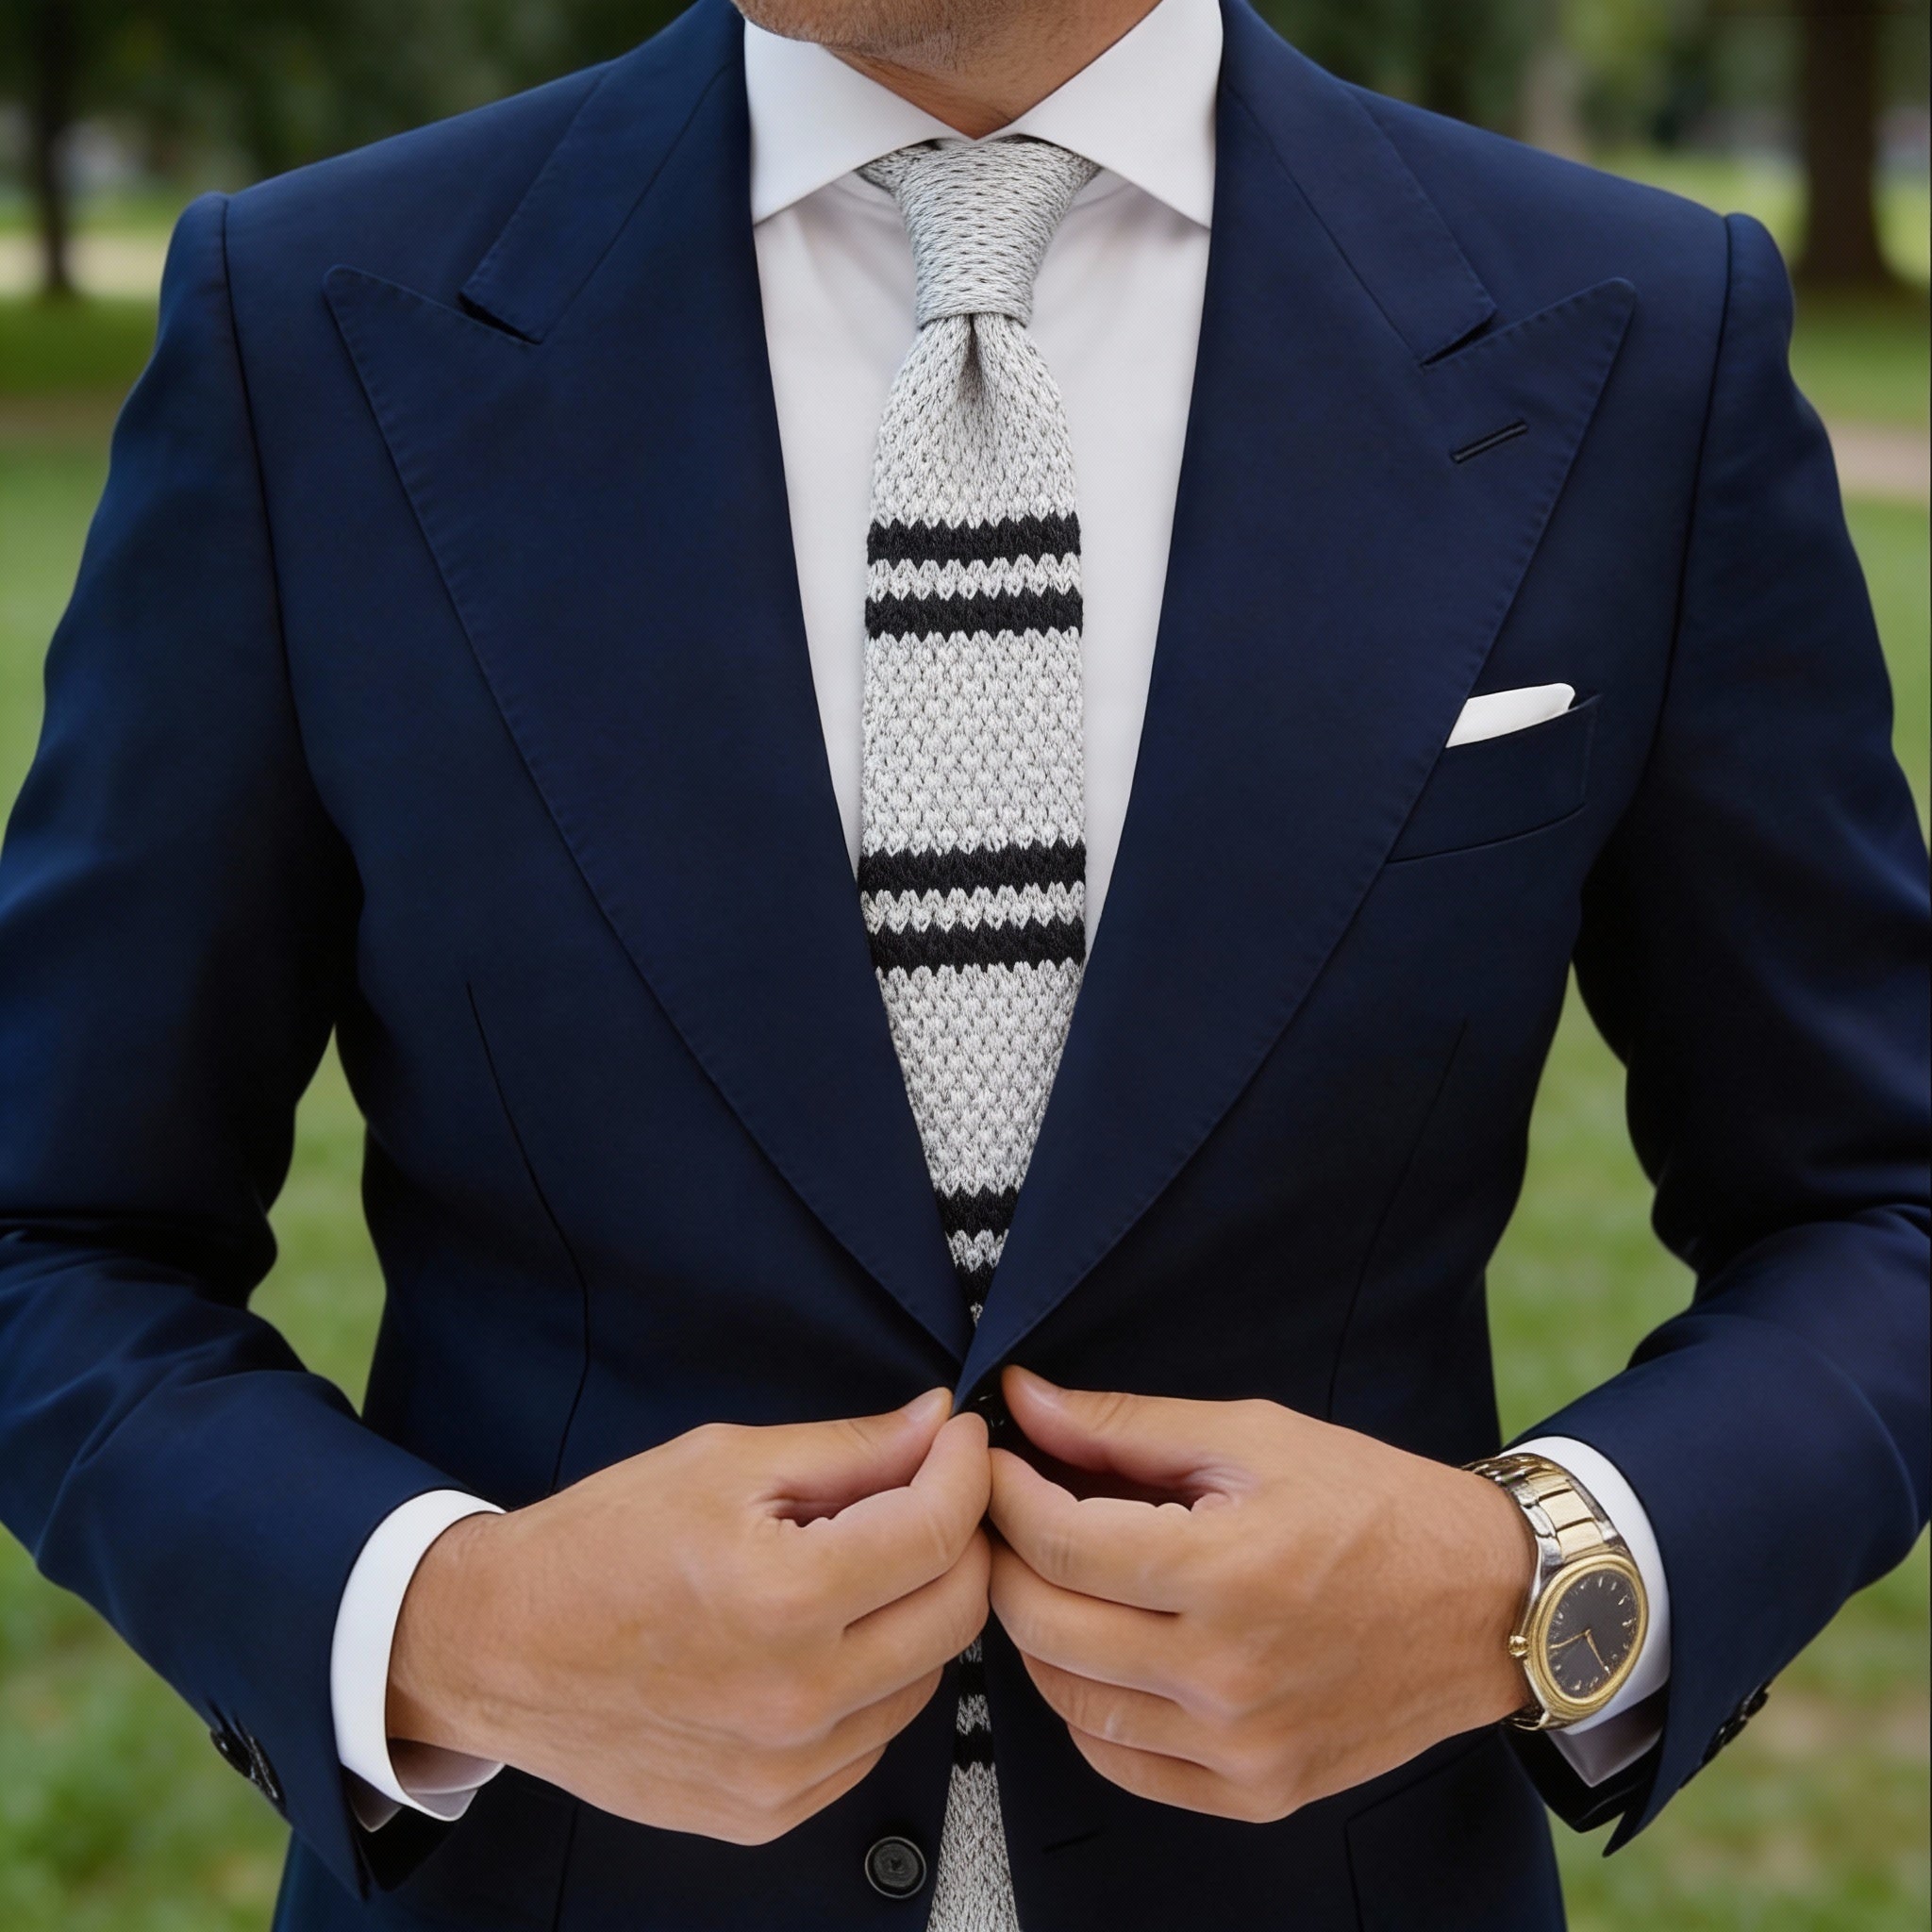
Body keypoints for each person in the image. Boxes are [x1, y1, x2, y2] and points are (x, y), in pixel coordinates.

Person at [0, 0, 1924, 1925]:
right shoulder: (312, 319)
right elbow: (55, 1228)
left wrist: (1536, 1585)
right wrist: (448, 1624)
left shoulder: (1635, 332)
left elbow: (1875, 1199)